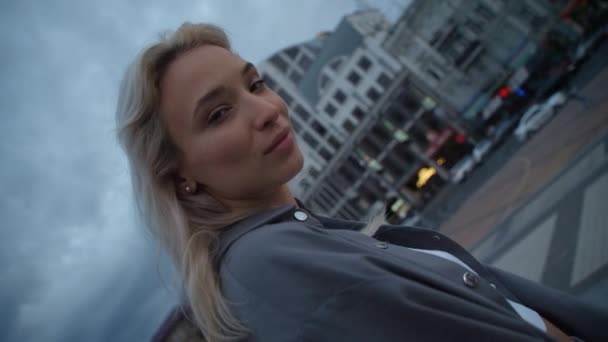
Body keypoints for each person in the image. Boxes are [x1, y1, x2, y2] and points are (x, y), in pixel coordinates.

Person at [116, 23, 607, 342]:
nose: (267, 111)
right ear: (181, 177)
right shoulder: (271, 262)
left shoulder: (296, 240)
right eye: (219, 113)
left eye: (256, 84)